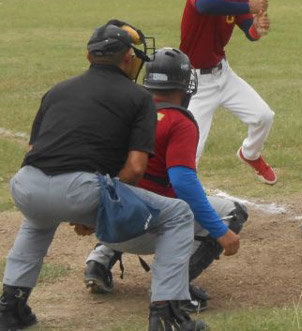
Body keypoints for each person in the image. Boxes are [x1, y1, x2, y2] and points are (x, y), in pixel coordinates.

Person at [0, 22, 206, 331]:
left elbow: (35, 150)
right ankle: (167, 317)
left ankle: (10, 308)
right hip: (79, 190)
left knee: (38, 221)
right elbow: (136, 168)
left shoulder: (57, 90)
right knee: (177, 215)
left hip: (26, 185)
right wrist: (100, 207)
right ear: (127, 59)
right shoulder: (139, 98)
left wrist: (87, 205)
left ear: (89, 56)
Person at [82, 47, 248, 314]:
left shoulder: (126, 111)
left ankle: (98, 260)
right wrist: (219, 230)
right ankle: (171, 288)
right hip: (144, 227)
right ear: (184, 85)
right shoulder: (178, 120)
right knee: (232, 211)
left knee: (127, 191)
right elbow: (183, 182)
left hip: (105, 223)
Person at [180, 0, 276, 185]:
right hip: (198, 83)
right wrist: (250, 7)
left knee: (263, 116)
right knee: (192, 152)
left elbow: (250, 34)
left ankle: (250, 154)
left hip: (223, 74)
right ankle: (179, 203)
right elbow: (204, 5)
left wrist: (258, 26)